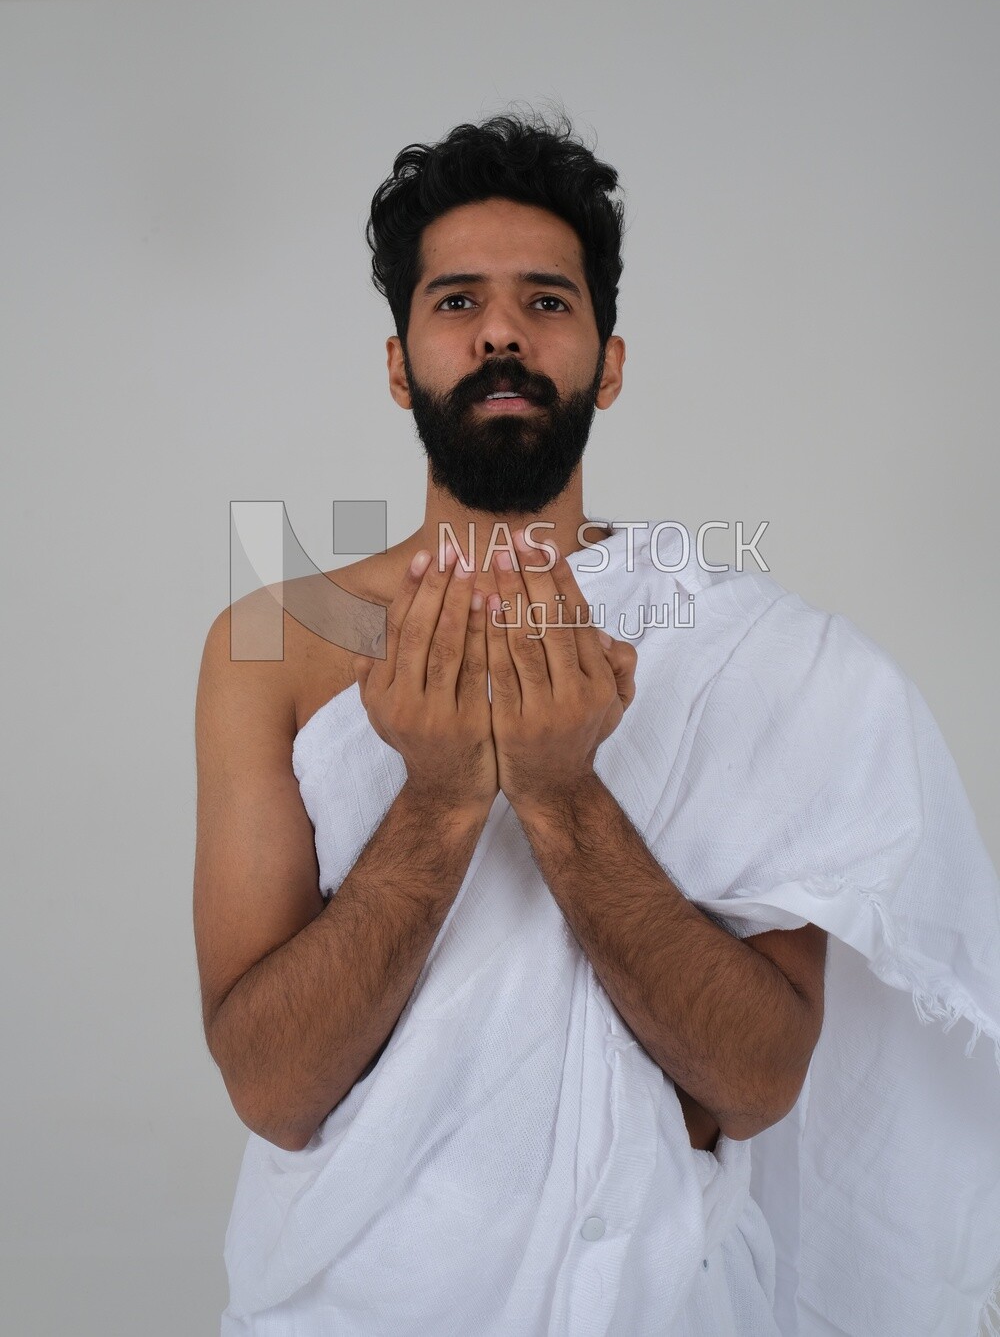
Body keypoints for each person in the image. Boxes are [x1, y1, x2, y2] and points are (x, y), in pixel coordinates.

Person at [194, 110, 1000, 1336]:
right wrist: (445, 794)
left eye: (547, 303)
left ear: (608, 363)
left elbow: (757, 1081)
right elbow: (272, 1088)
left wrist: (566, 796)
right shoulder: (274, 641)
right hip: (350, 1299)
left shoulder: (756, 654)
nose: (503, 332)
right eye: (457, 302)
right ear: (401, 362)